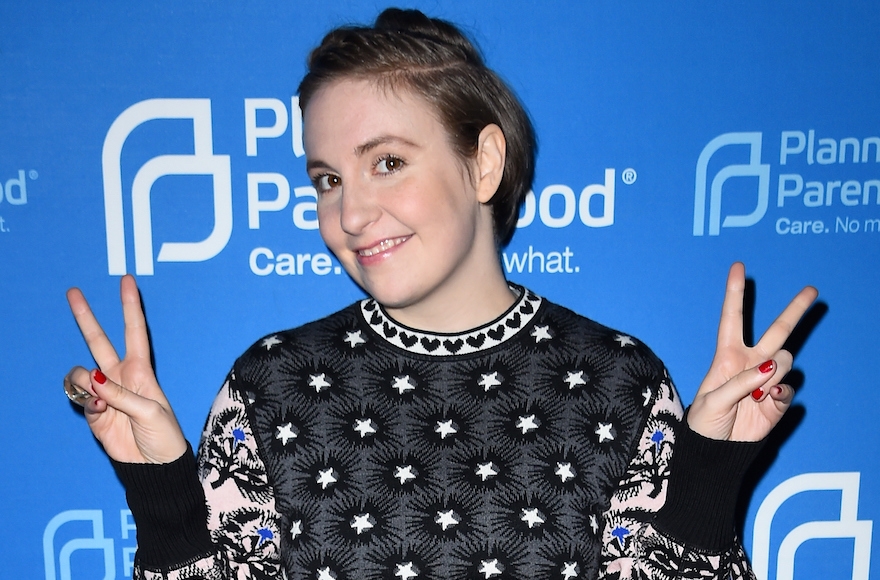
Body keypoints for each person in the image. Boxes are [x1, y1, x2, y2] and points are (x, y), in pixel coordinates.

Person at [64, 8, 817, 580]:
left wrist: (708, 478)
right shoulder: (270, 386)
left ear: (483, 164)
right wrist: (160, 495)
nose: (349, 214)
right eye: (327, 179)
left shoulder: (621, 383)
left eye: (387, 161)